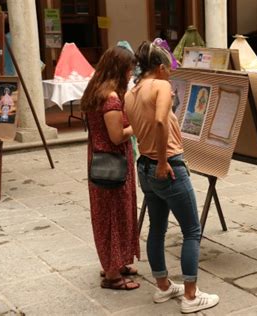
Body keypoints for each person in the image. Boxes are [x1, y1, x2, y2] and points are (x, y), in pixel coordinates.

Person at [125, 41, 219, 314]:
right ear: (160, 67)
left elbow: (141, 126)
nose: (171, 74)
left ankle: (163, 285)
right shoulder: (161, 86)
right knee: (192, 230)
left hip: (144, 165)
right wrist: (164, 161)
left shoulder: (132, 92)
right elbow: (160, 121)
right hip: (166, 166)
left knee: (157, 227)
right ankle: (191, 295)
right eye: (169, 68)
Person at [80, 46, 140, 289]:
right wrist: (137, 124)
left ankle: (115, 263)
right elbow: (117, 136)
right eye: (129, 69)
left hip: (99, 161)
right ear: (120, 70)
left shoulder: (95, 90)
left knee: (109, 216)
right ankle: (113, 276)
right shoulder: (112, 98)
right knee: (115, 216)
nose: (130, 74)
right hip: (112, 164)